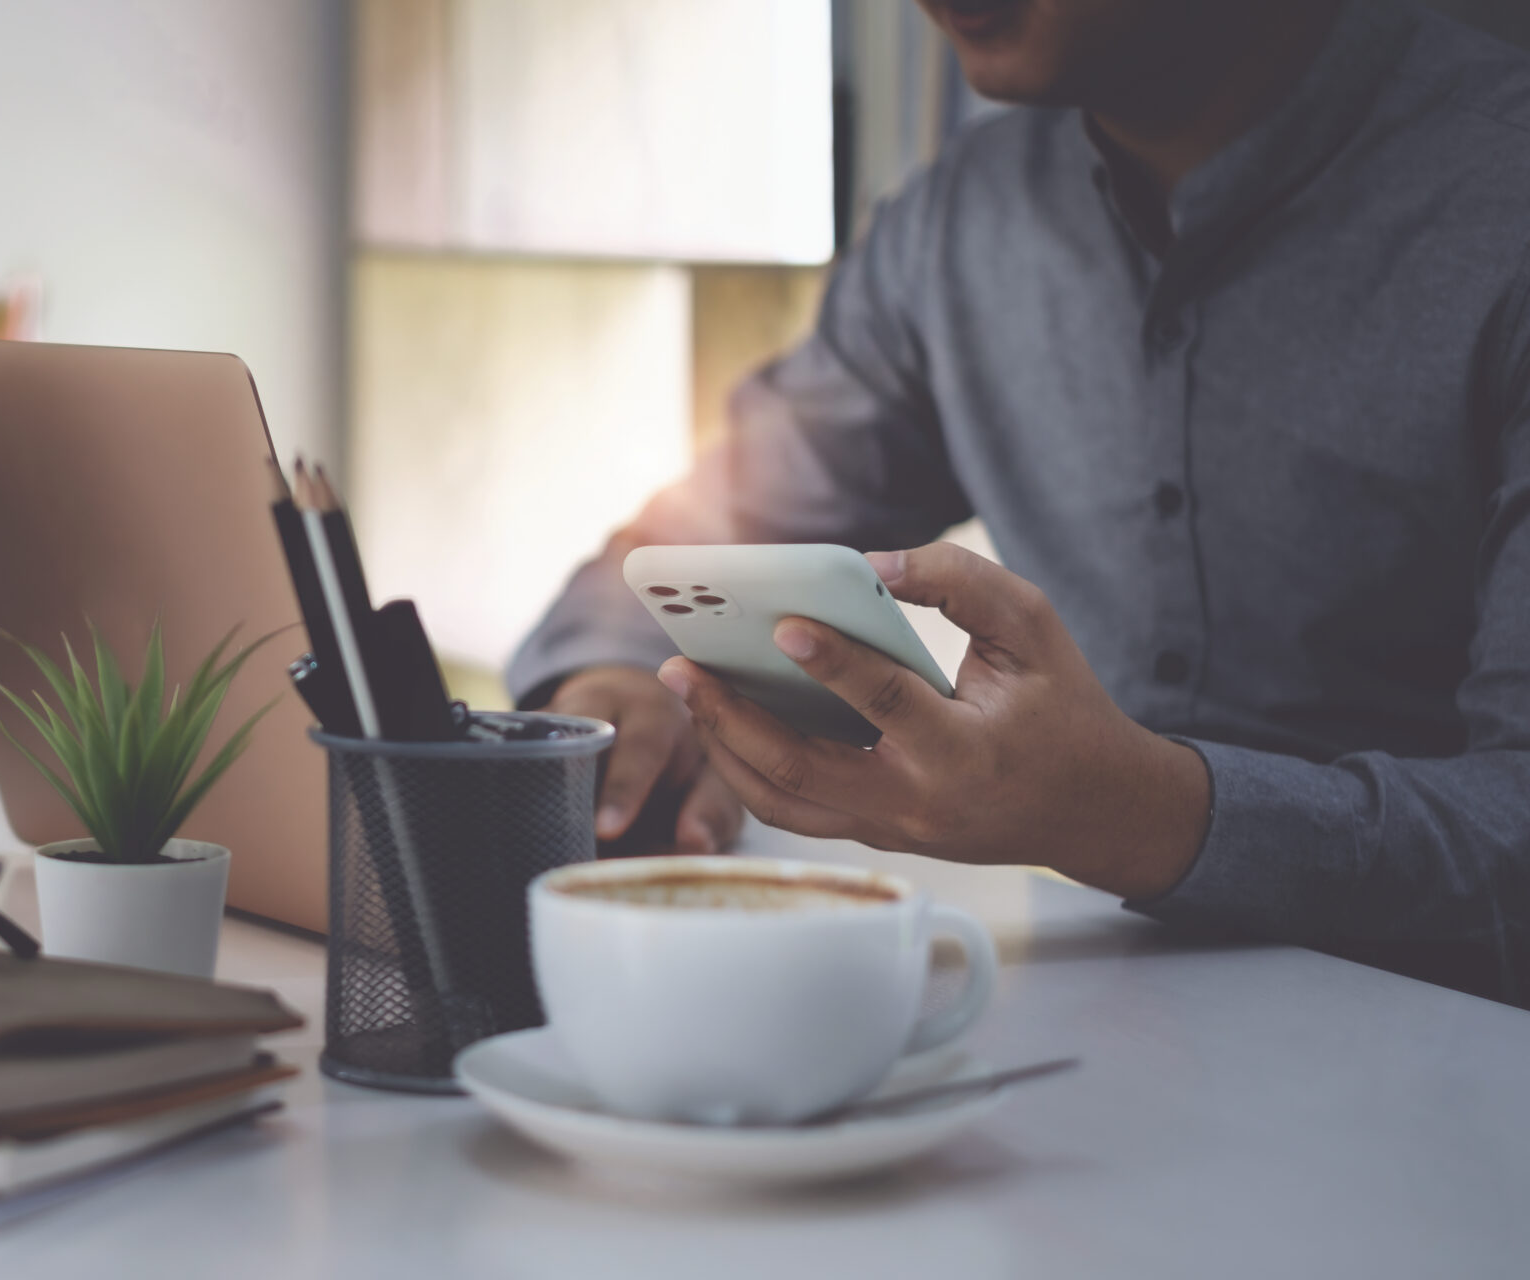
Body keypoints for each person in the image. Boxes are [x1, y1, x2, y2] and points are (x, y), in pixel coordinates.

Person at [508, 0, 1530, 1002]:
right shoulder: (960, 224)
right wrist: (620, 679)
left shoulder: (1497, 191)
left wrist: (1137, 815)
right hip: (1094, 1034)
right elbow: (708, 523)